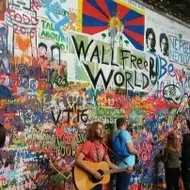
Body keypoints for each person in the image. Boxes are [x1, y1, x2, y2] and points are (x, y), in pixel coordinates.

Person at [75, 121, 120, 190]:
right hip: (87, 179)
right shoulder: (88, 144)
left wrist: (122, 169)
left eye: (102, 128)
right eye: (98, 129)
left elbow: (109, 163)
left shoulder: (103, 146)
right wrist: (93, 172)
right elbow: (78, 161)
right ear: (93, 131)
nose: (102, 131)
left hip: (97, 181)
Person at [113, 117, 139, 190]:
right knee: (123, 186)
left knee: (119, 185)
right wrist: (137, 152)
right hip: (126, 166)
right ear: (124, 124)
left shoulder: (114, 133)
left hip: (118, 164)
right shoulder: (124, 133)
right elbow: (130, 149)